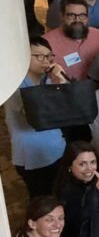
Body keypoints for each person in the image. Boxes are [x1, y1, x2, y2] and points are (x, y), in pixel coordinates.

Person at [7, 36, 69, 197]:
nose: (45, 61)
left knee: (60, 194)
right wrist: (57, 90)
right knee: (41, 200)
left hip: (57, 147)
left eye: (48, 56)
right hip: (33, 155)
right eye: (39, 56)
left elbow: (70, 107)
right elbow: (36, 115)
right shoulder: (15, 85)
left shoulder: (48, 79)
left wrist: (61, 80)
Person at [42, 0, 99, 81]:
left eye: (82, 15)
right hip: (65, 91)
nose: (77, 20)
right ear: (61, 16)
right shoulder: (45, 43)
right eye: (71, 15)